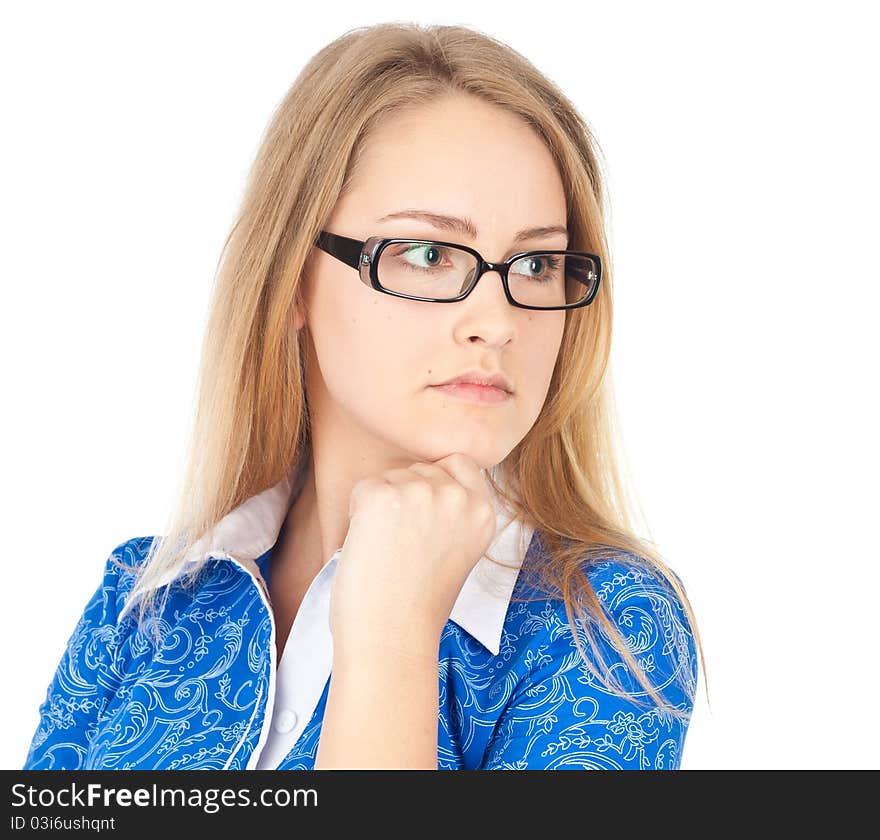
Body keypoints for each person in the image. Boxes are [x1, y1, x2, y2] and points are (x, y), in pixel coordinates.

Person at [23, 21, 704, 771]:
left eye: (538, 264)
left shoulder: (608, 626)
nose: (498, 322)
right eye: (426, 252)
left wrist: (392, 640)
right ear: (290, 282)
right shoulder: (145, 600)